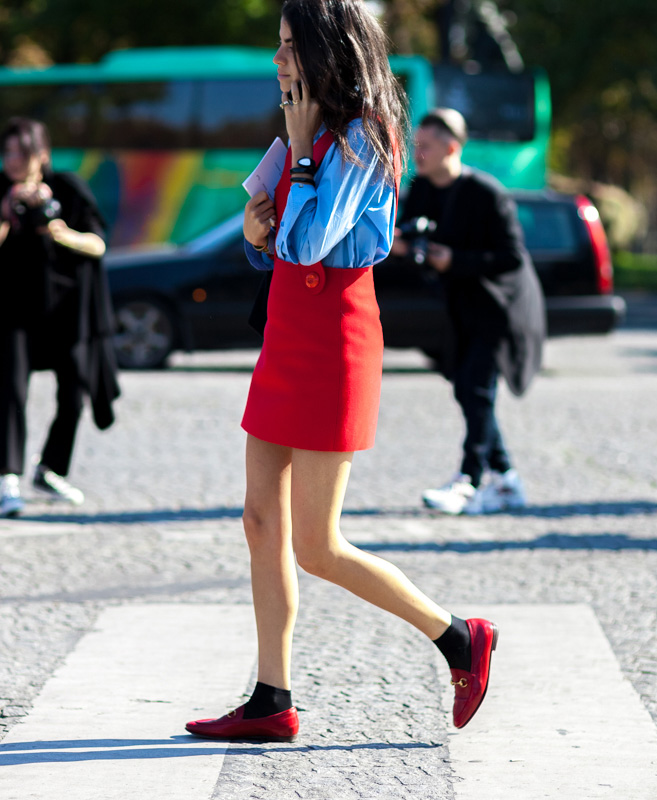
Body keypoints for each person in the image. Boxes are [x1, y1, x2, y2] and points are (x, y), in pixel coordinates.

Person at [184, 0, 498, 743]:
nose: (277, 60)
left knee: (317, 544)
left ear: (329, 50)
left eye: (289, 45)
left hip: (335, 338)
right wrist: (269, 214)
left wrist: (292, 165)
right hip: (289, 331)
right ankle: (271, 698)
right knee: (259, 522)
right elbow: (259, 230)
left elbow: (312, 238)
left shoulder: (364, 135)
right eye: (279, 45)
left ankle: (458, 637)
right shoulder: (307, 129)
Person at [393, 108, 545, 516]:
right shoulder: (421, 188)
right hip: (459, 306)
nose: (417, 154)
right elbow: (410, 238)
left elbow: (511, 258)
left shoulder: (486, 193)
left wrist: (453, 260)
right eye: (415, 146)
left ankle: (470, 481)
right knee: (467, 389)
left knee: (475, 389)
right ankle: (507, 479)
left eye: (424, 147)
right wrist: (403, 246)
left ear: (452, 147)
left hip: (501, 307)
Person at [0, 118, 120, 517]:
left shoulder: (67, 187)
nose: (13, 160)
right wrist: (6, 207)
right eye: (8, 153)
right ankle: (8, 477)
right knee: (12, 389)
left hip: (66, 308)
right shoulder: (1, 188)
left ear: (42, 154)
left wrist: (60, 231)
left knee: (75, 389)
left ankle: (51, 468)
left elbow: (99, 244)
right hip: (14, 308)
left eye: (22, 152)